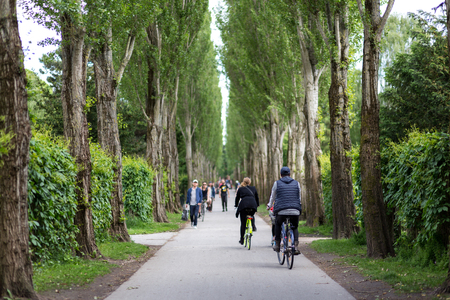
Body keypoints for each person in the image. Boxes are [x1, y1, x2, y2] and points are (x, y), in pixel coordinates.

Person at [267, 166, 302, 255]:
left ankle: (278, 244)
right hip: (295, 210)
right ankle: (296, 246)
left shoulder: (277, 183)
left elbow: (273, 196)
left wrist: (269, 205)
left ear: (280, 174)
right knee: (295, 227)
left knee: (278, 224)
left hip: (281, 210)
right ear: (290, 174)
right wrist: (298, 206)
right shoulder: (297, 183)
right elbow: (299, 197)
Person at [234, 177, 259, 245]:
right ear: (249, 182)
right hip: (252, 205)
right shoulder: (253, 188)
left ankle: (242, 239)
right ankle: (253, 225)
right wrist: (257, 205)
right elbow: (257, 197)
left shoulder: (240, 188)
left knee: (243, 223)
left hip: (243, 205)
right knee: (251, 214)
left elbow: (237, 198)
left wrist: (236, 205)